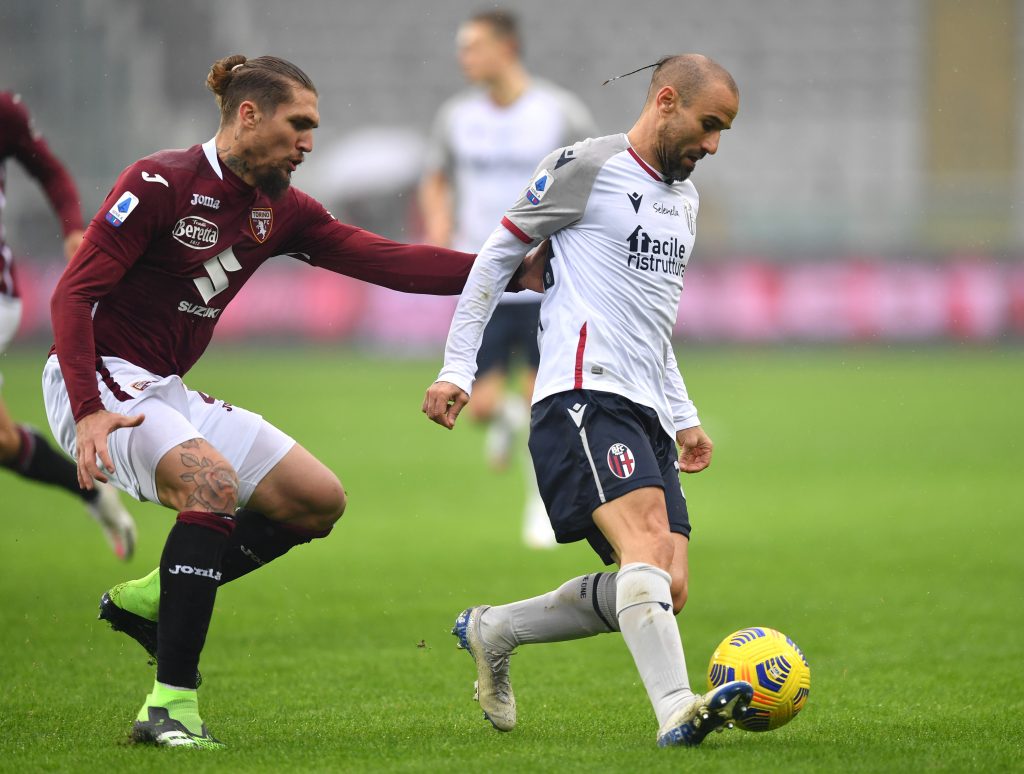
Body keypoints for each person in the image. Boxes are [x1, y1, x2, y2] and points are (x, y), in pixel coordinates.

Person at [44, 54, 536, 749]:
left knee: (315, 499)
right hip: (100, 379)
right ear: (248, 116)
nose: (308, 142)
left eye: (313, 128)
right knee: (212, 485)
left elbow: (387, 259)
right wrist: (87, 407)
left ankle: (153, 599)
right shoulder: (159, 182)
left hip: (164, 388)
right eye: (298, 124)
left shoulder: (283, 211)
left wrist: (512, 270)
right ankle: (168, 709)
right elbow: (72, 293)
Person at [423, 55, 752, 747]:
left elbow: (653, 323)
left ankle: (494, 629)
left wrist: (684, 417)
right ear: (667, 101)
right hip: (581, 394)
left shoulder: (684, 202)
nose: (715, 144)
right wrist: (458, 367)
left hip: (645, 407)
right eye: (709, 124)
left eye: (724, 130)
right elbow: (495, 256)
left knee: (666, 583)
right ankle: (677, 711)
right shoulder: (586, 167)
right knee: (645, 548)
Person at [419, 9, 597, 548]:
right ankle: (506, 423)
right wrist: (438, 226)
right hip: (485, 278)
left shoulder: (558, 112)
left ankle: (541, 507)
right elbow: (435, 177)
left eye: (473, 46)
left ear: (507, 48)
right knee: (480, 405)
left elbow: (596, 177)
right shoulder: (456, 117)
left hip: (544, 278)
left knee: (546, 403)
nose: (464, 57)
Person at [0, 91, 136, 558]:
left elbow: (50, 170)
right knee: (4, 442)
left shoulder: (5, 113)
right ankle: (92, 491)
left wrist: (74, 229)